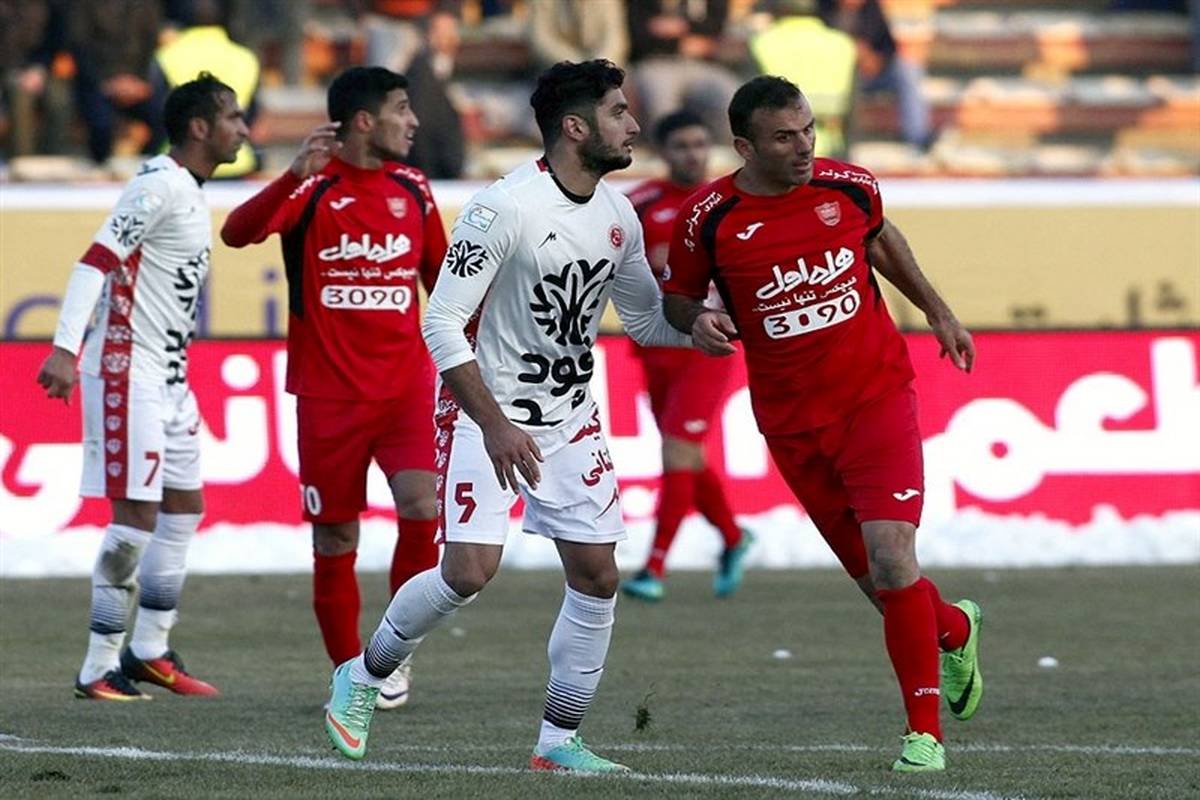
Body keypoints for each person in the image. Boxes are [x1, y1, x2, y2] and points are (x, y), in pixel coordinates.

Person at [321, 58, 728, 770]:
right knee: (468, 571)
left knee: (598, 577)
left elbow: (641, 320)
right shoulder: (502, 208)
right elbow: (441, 323)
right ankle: (363, 673)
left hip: (569, 417)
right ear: (576, 128)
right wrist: (494, 425)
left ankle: (558, 742)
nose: (633, 125)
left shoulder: (617, 214)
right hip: (486, 412)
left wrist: (700, 328)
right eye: (618, 112)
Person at [661, 75, 983, 772]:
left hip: (875, 399)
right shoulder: (707, 217)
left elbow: (882, 241)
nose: (804, 145)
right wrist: (700, 321)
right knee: (881, 587)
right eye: (784, 137)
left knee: (893, 559)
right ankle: (955, 629)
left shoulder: (850, 186)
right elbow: (678, 298)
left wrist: (938, 311)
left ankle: (923, 736)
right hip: (792, 423)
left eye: (808, 129)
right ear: (745, 147)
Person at [221, 67, 446, 710]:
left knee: (422, 508)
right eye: (402, 109)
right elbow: (237, 232)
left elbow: (441, 277)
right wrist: (292, 174)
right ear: (366, 121)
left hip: (404, 388)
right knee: (335, 539)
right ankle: (350, 673)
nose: (414, 121)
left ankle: (392, 653)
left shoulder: (413, 187)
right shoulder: (312, 187)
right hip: (328, 397)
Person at [36, 73, 248, 700]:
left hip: (171, 378)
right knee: (135, 519)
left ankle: (150, 650)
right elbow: (94, 262)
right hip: (128, 372)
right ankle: (97, 664)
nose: (243, 128)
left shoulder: (190, 189)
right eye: (233, 118)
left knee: (184, 509)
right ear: (200, 128)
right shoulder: (158, 186)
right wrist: (65, 349)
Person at [620, 109, 752, 603]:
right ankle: (734, 538)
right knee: (689, 457)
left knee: (677, 451)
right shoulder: (640, 204)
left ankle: (654, 567)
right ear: (663, 152)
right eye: (682, 146)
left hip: (708, 346)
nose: (693, 154)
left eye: (700, 144)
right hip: (657, 347)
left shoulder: (730, 201)